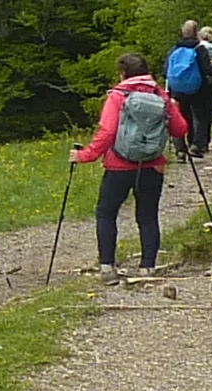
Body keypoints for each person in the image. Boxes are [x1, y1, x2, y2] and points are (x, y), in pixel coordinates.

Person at [70, 52, 189, 284]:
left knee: (106, 213)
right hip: (152, 165)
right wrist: (176, 108)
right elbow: (180, 130)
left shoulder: (117, 96)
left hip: (118, 166)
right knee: (147, 216)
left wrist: (85, 155)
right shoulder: (160, 95)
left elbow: (107, 132)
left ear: (123, 73)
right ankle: (147, 267)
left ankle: (107, 268)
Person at [164, 20, 212, 159]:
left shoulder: (174, 50)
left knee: (180, 116)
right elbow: (207, 69)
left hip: (177, 89)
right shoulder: (199, 49)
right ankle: (197, 146)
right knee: (200, 117)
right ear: (196, 33)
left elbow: (165, 71)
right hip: (198, 89)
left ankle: (180, 149)